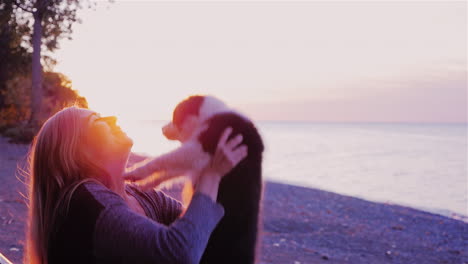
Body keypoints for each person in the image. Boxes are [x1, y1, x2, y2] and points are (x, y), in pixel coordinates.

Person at [24, 106, 248, 264]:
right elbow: (180, 253)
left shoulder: (141, 195)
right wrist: (212, 175)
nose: (112, 118)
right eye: (98, 121)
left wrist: (209, 160)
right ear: (75, 151)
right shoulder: (83, 201)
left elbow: (201, 231)